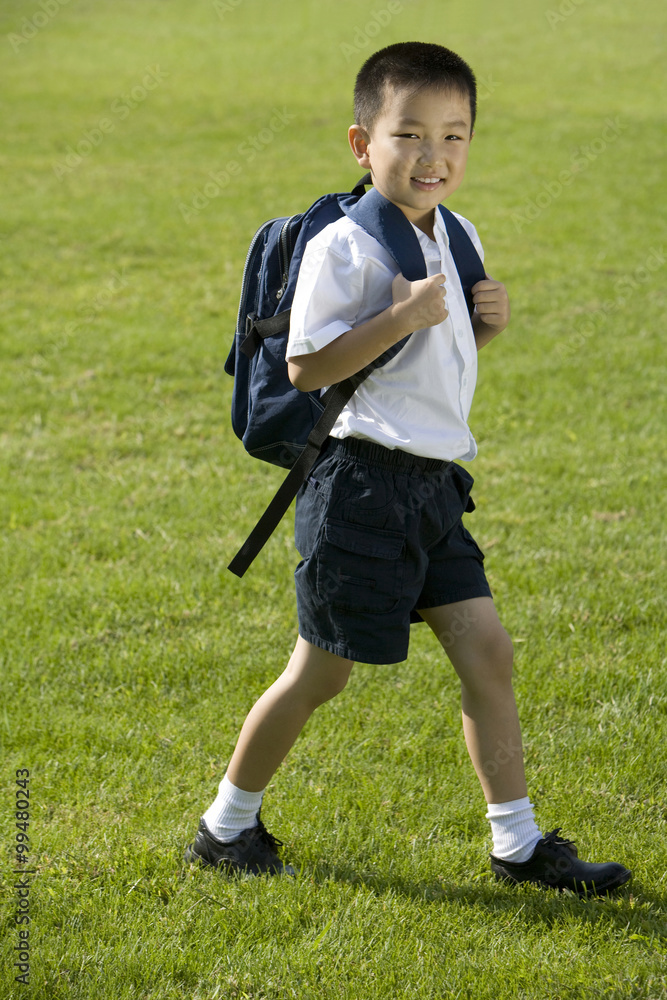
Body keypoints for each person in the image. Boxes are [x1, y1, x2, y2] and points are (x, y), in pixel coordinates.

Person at [185, 42, 631, 894]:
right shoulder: (344, 248)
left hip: (431, 488)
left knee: (487, 655)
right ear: (363, 144)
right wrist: (400, 318)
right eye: (410, 135)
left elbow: (436, 362)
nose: (434, 156)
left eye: (454, 137)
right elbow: (307, 368)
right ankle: (224, 827)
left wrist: (481, 327)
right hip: (358, 488)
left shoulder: (456, 232)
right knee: (321, 672)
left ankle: (517, 846)